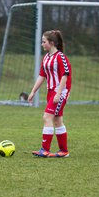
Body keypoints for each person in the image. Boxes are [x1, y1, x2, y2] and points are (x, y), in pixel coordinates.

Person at [28, 29, 72, 158]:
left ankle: (45, 149)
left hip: (60, 92)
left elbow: (65, 75)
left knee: (47, 117)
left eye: (44, 42)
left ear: (51, 43)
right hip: (51, 91)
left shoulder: (61, 57)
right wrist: (33, 91)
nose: (42, 44)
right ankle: (64, 151)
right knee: (58, 120)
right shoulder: (46, 58)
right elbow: (42, 76)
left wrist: (59, 94)